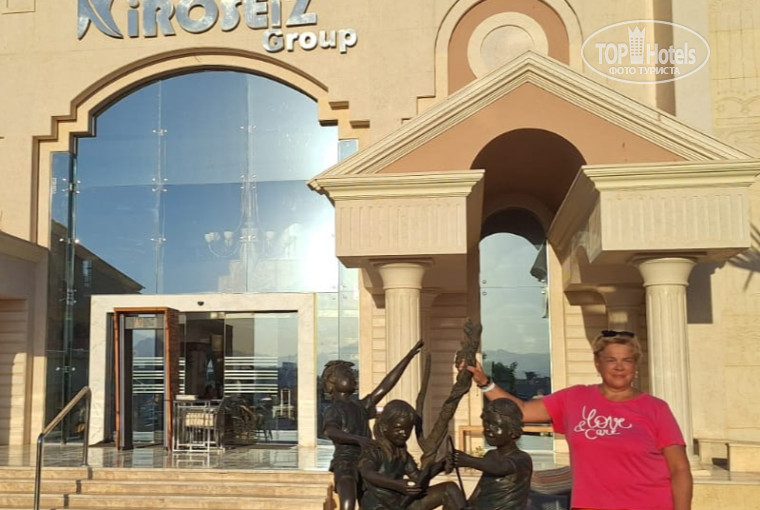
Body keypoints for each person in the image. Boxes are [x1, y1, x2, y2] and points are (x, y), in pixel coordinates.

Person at [462, 328, 692, 510]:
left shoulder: (655, 408)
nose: (619, 367)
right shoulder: (575, 399)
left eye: (627, 360)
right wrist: (484, 382)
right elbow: (520, 411)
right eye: (611, 360)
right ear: (597, 363)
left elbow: (679, 469)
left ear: (635, 365)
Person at [322, 339, 424, 510]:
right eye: (347, 374)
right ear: (332, 381)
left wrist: (408, 358)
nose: (353, 377)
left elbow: (385, 386)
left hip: (369, 461)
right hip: (346, 463)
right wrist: (357, 439)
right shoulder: (334, 409)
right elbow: (331, 431)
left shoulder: (361, 406)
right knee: (348, 502)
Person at [358, 399, 466, 510]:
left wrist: (440, 465)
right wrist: (397, 484)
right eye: (398, 429)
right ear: (384, 426)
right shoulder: (374, 450)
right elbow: (367, 473)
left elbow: (418, 477)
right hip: (378, 506)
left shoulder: (402, 453)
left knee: (449, 489)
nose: (404, 434)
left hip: (400, 503)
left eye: (408, 429)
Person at [453, 398, 533, 510]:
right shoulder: (491, 455)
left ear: (513, 431)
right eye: (486, 424)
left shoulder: (522, 459)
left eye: (495, 426)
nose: (488, 430)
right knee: (449, 490)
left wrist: (468, 460)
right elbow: (480, 489)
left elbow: (500, 467)